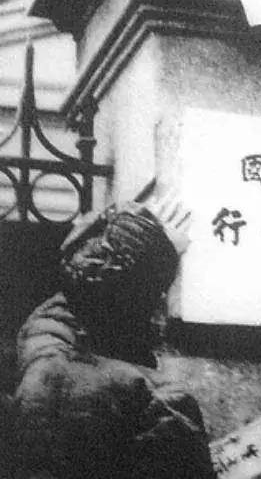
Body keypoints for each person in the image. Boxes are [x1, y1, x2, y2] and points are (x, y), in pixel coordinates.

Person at [5, 192, 215, 479]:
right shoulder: (160, 404)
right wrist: (151, 254)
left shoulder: (41, 349)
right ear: (156, 305)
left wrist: (143, 252)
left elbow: (82, 294)